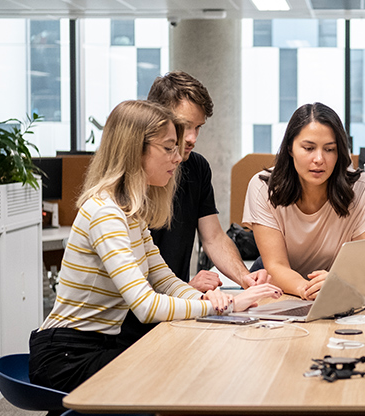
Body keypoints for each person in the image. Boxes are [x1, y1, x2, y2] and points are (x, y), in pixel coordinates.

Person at [29, 100, 282, 392]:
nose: (177, 158)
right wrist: (220, 307)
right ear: (135, 150)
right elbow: (146, 305)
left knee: (191, 365)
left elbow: (165, 280)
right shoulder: (105, 213)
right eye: (168, 148)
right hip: (67, 354)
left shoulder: (131, 213)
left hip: (96, 346)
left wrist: (218, 301)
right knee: (182, 376)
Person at [117, 71, 272, 348]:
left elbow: (213, 237)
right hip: (133, 324)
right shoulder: (121, 196)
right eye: (183, 126)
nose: (191, 138)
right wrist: (192, 292)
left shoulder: (196, 168)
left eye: (198, 128)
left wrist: (243, 277)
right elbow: (135, 296)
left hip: (169, 311)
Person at [242, 102, 365, 300]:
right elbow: (276, 266)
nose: (319, 159)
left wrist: (338, 281)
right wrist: (307, 288)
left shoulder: (363, 188)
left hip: (337, 285)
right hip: (280, 284)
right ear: (290, 148)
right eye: (309, 148)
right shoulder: (263, 188)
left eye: (329, 149)